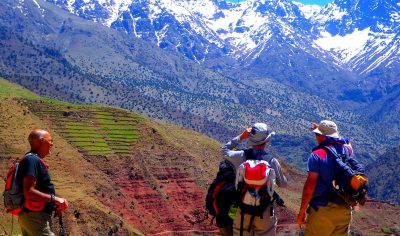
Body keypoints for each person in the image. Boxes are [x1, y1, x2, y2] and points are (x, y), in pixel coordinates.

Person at [222, 123, 287, 236]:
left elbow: (224, 150)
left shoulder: (240, 156)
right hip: (264, 211)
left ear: (251, 139)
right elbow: (283, 184)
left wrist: (241, 137)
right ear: (266, 141)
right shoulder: (272, 161)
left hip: (242, 209)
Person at [297, 120, 353, 236]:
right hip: (344, 209)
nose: (315, 137)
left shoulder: (317, 155)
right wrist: (326, 132)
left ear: (323, 137)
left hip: (322, 211)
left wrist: (302, 211)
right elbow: (346, 141)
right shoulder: (347, 150)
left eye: (317, 134)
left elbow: (310, 185)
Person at [17, 129, 69, 236]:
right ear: (41, 141)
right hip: (36, 218)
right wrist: (54, 199)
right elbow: (29, 192)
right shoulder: (32, 160)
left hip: (33, 217)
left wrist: (53, 203)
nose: (52, 144)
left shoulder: (31, 159)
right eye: (50, 141)